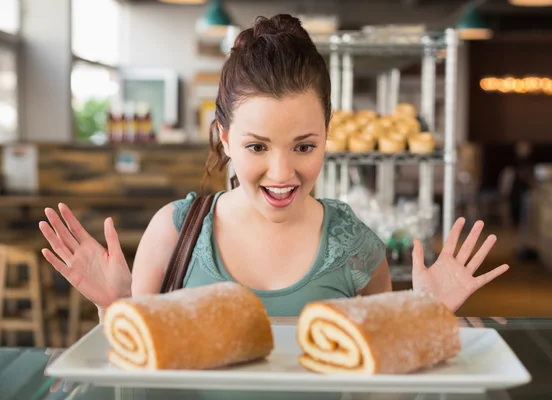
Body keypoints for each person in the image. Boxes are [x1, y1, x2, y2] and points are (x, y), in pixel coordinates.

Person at [38, 14, 509, 321]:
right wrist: (115, 307)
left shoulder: (357, 246)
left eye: (304, 147)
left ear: (327, 133)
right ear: (225, 137)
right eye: (257, 147)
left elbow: (381, 387)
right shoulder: (174, 233)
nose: (282, 174)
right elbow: (133, 375)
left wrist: (424, 318)